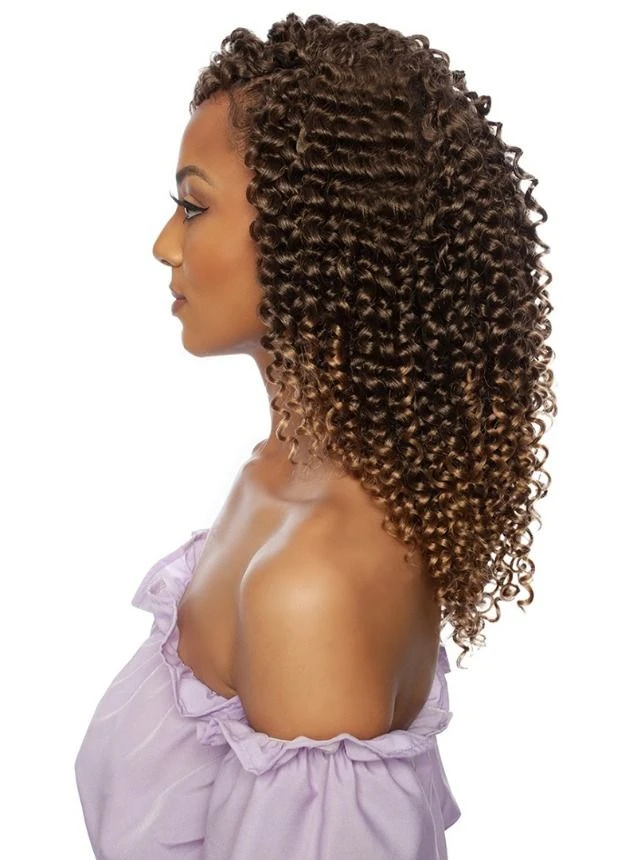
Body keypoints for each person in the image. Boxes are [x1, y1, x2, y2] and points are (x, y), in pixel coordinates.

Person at [74, 12, 555, 859]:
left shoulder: (313, 584)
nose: (163, 246)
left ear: (318, 234)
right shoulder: (268, 483)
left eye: (193, 206)